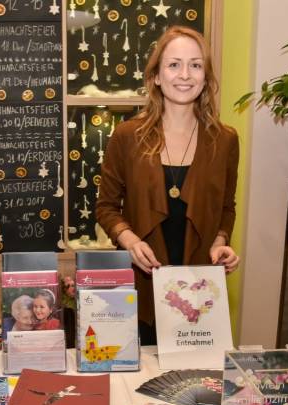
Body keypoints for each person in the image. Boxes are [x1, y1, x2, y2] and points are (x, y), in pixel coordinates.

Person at [96, 26, 240, 344]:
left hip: (199, 291)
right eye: (174, 64)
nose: (185, 74)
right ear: (156, 76)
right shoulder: (127, 136)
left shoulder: (225, 140)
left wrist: (220, 242)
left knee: (195, 374)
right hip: (142, 287)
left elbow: (226, 208)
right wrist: (130, 241)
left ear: (206, 76)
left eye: (195, 65)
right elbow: (106, 207)